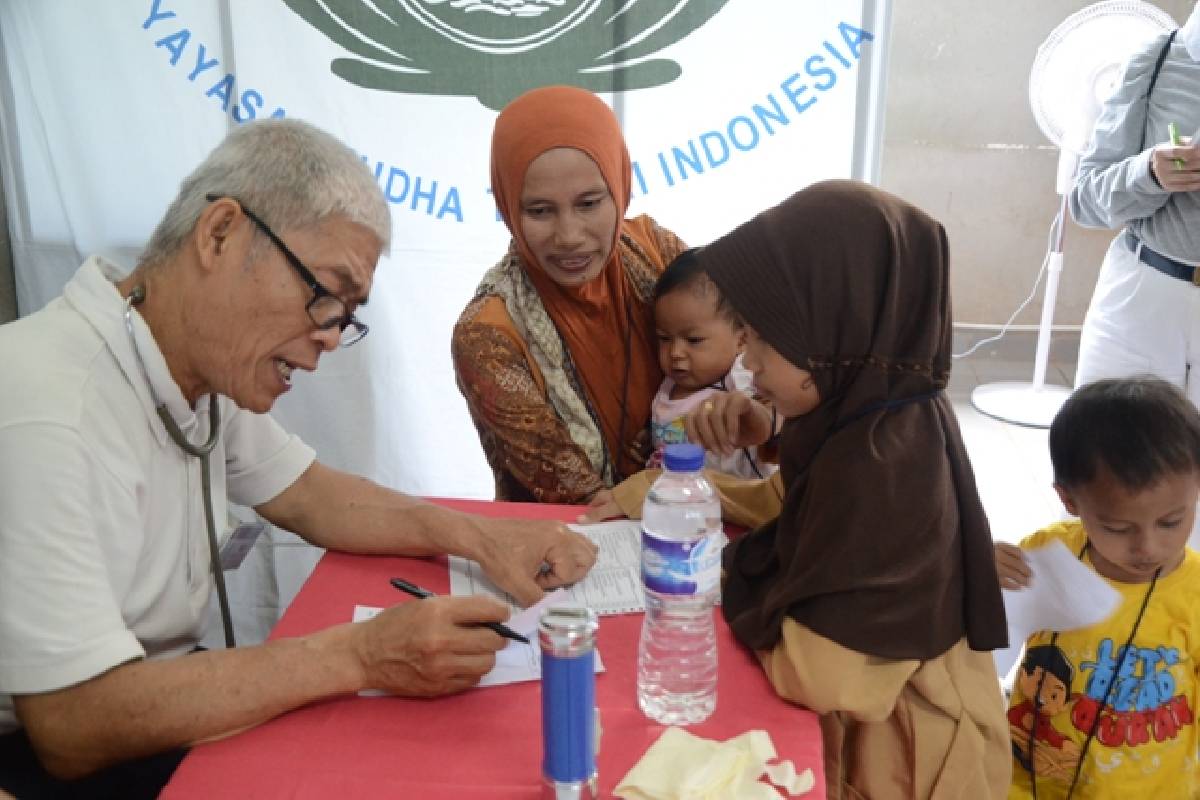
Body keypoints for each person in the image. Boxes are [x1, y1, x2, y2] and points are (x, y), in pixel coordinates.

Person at [0, 119, 598, 798]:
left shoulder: (187, 359)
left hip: (149, 692)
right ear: (220, 234)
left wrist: (483, 539)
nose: (331, 339)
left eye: (346, 312)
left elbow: (312, 494)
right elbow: (72, 726)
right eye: (325, 294)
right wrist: (361, 655)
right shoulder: (47, 408)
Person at [687, 180, 1012, 797]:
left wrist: (731, 585)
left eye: (763, 336)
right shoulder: (874, 413)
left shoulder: (884, 466)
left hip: (911, 765)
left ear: (835, 328)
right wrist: (674, 486)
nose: (748, 362)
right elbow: (796, 509)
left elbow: (826, 676)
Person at [451, 85, 688, 504]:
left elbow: (747, 364)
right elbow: (581, 499)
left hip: (692, 526)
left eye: (589, 203)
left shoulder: (657, 253)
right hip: (565, 549)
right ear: (508, 206)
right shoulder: (488, 336)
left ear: (620, 188)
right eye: (539, 211)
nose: (569, 237)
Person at [994, 377, 1200, 798]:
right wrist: (976, 575)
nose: (1148, 547)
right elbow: (983, 640)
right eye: (1117, 527)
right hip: (1027, 782)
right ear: (1069, 500)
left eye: (1171, 522)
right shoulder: (1048, 553)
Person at [1069, 6, 1200, 404]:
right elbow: (1084, 200)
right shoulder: (1157, 61)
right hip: (1139, 304)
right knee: (1106, 457)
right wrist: (1148, 174)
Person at [646, 248, 773, 479]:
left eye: (693, 340)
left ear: (742, 339)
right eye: (664, 338)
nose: (675, 353)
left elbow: (767, 410)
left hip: (739, 502)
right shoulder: (668, 386)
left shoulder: (740, 375)